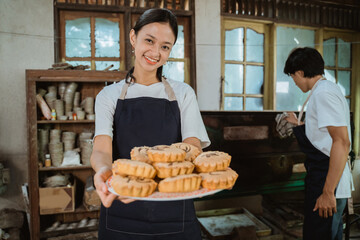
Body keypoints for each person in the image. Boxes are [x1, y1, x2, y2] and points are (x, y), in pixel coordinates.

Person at [90, 8, 210, 240]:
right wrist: (103, 171)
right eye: (149, 40)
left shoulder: (183, 93)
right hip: (122, 204)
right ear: (133, 38)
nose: (156, 52)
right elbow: (102, 149)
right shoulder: (109, 95)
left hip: (174, 207)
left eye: (165, 46)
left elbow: (192, 145)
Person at [283, 47, 354, 240]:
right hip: (322, 175)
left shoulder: (323, 93)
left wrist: (328, 192)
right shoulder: (325, 89)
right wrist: (299, 125)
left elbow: (341, 141)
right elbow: (326, 135)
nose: (294, 82)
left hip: (328, 178)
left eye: (292, 76)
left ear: (300, 72)